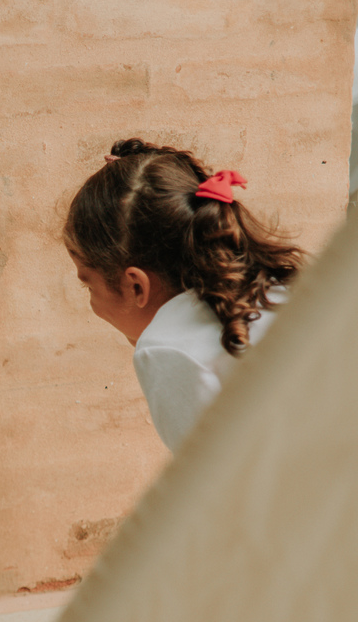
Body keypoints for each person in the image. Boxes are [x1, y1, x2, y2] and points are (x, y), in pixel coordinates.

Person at [64, 138, 307, 452]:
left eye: (88, 286)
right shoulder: (275, 290)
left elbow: (215, 490)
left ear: (136, 286)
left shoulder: (166, 349)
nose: (92, 303)